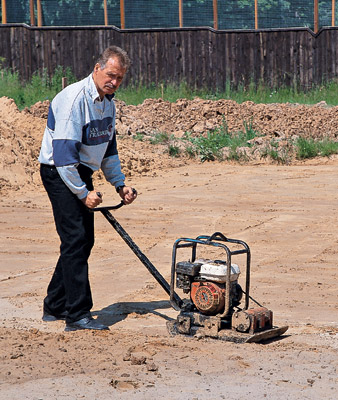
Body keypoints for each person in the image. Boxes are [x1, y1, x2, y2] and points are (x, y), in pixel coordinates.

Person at [38, 46, 137, 331]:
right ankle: (77, 315)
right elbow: (64, 157)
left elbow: (107, 149)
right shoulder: (73, 100)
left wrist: (120, 184)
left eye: (119, 78)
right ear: (97, 68)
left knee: (82, 241)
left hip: (79, 170)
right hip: (60, 172)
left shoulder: (107, 103)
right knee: (76, 239)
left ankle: (55, 305)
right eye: (110, 75)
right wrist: (83, 193)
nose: (114, 82)